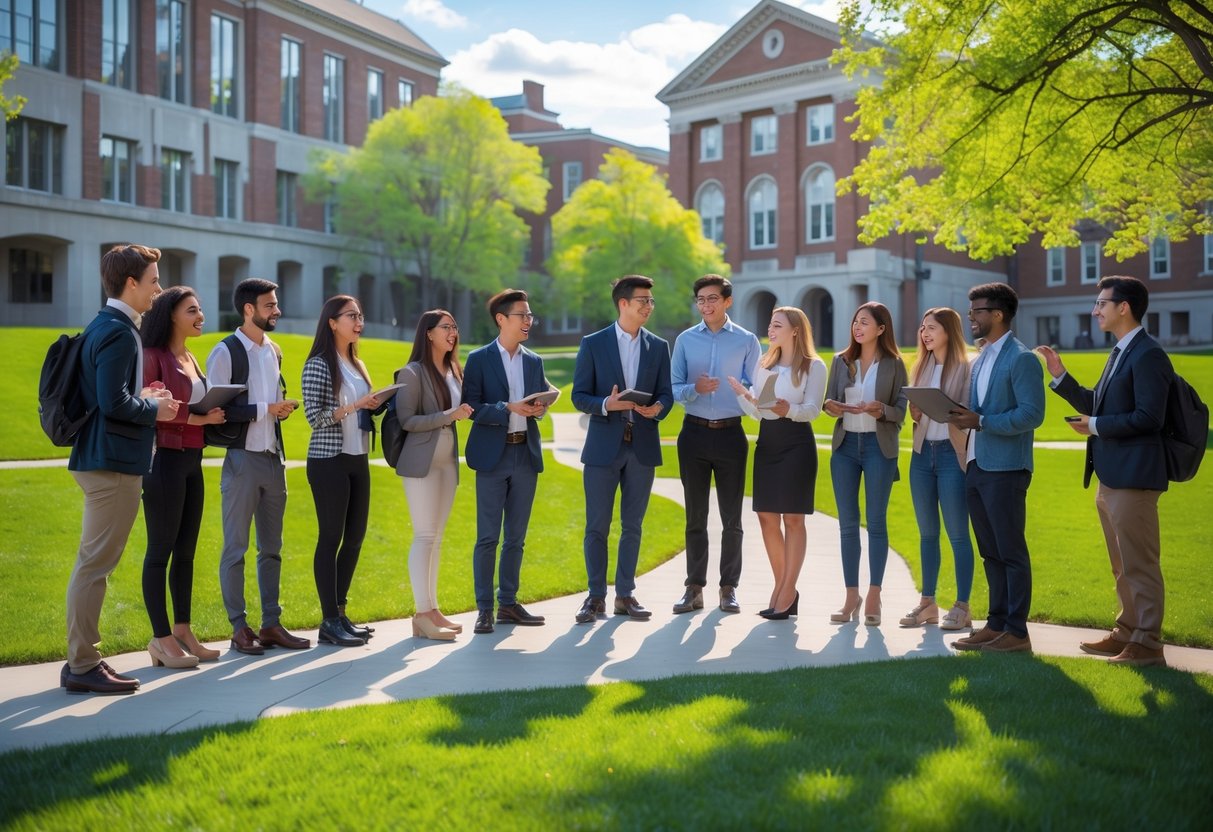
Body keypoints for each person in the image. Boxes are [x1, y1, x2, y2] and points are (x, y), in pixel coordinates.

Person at [62, 244, 179, 694]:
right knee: (95, 566)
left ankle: (83, 660)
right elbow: (114, 405)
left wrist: (143, 396)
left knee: (94, 564)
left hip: (105, 459)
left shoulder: (108, 325)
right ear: (131, 283)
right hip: (110, 464)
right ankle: (82, 664)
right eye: (153, 280)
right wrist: (156, 407)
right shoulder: (117, 331)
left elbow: (109, 397)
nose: (158, 289)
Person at [1038, 276, 1172, 667]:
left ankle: (1148, 643)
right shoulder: (1119, 353)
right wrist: (1060, 375)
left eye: (1101, 303)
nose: (1096, 310)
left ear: (1123, 307)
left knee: (1140, 563)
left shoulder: (1148, 354)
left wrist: (1095, 426)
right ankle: (1127, 631)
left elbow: (1149, 417)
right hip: (1111, 476)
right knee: (1121, 563)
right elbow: (1098, 404)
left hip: (1134, 477)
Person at [207, 278, 309, 655]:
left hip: (272, 459)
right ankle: (239, 627)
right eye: (270, 305)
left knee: (272, 548)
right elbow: (214, 411)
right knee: (236, 548)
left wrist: (279, 409)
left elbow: (270, 402)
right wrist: (266, 410)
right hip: (241, 460)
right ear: (249, 309)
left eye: (276, 304)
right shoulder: (225, 352)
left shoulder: (274, 351)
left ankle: (270, 624)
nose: (277, 310)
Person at [571, 275, 673, 624]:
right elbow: (579, 396)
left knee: (633, 525)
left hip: (642, 447)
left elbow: (666, 394)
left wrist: (658, 408)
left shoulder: (658, 347)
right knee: (597, 526)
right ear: (623, 303)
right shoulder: (594, 343)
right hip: (603, 448)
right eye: (642, 300)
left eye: (651, 301)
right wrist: (606, 404)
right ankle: (595, 597)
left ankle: (625, 595)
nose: (648, 306)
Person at [950, 282, 1045, 654]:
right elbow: (977, 410)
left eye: (977, 310)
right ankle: (996, 624)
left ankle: (1017, 632)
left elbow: (1032, 414)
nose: (970, 316)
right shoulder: (982, 358)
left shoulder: (1020, 359)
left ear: (999, 314)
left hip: (1006, 468)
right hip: (977, 464)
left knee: (1010, 550)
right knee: (990, 551)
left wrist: (983, 421)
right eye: (970, 309)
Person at [140, 287, 226, 669]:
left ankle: (183, 630)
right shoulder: (152, 357)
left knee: (186, 552)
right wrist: (201, 418)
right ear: (172, 315)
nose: (200, 315)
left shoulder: (191, 357)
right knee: (160, 552)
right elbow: (150, 407)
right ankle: (160, 640)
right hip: (164, 462)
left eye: (200, 307)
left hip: (193, 459)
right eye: (192, 309)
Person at [727, 306, 826, 620]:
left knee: (793, 520)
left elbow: (813, 409)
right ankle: (785, 587)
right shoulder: (763, 363)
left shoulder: (814, 365)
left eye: (777, 325)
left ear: (795, 330)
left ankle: (784, 592)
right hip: (768, 442)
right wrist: (745, 396)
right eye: (770, 324)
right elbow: (759, 412)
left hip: (797, 443)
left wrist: (789, 410)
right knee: (767, 517)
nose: (770, 329)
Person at [671, 275, 761, 615]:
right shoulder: (684, 340)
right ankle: (693, 588)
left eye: (712, 298)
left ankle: (728, 588)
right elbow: (674, 386)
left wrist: (744, 391)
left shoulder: (747, 340)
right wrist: (696, 389)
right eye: (700, 299)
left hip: (730, 435)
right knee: (695, 515)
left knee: (731, 518)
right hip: (693, 434)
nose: (705, 305)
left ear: (727, 301)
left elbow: (757, 385)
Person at [463, 289, 551, 635]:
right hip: (492, 458)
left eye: (530, 316)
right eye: (522, 316)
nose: (528, 321)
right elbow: (471, 408)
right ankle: (484, 608)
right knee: (487, 537)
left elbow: (535, 406)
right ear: (502, 319)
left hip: (524, 454)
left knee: (516, 537)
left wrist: (538, 409)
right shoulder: (479, 359)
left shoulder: (534, 361)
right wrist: (507, 408)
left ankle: (509, 604)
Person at [301, 296, 387, 648]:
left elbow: (360, 412)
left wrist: (377, 404)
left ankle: (341, 612)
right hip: (328, 461)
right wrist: (353, 406)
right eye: (351, 316)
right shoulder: (319, 364)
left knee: (354, 537)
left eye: (360, 315)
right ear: (332, 322)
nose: (358, 321)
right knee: (330, 537)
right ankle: (328, 621)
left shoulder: (356, 362)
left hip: (357, 458)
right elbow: (313, 418)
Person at [823, 302, 907, 627]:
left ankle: (874, 594)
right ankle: (850, 596)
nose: (858, 328)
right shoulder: (841, 361)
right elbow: (827, 402)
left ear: (881, 329)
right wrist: (834, 406)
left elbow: (901, 408)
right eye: (855, 321)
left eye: (865, 323)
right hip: (845, 448)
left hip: (878, 448)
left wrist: (881, 410)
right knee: (847, 525)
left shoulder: (895, 364)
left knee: (876, 522)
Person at [395, 310, 474, 641]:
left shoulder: (455, 370)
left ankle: (433, 609)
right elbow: (406, 420)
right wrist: (448, 415)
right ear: (428, 333)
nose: (452, 332)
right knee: (425, 535)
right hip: (421, 463)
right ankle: (421, 612)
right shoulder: (412, 373)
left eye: (455, 326)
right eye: (446, 327)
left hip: (447, 462)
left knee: (437, 537)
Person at [900, 308, 975, 631]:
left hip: (951, 456)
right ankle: (927, 604)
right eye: (922, 328)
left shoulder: (967, 367)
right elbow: (917, 418)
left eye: (931, 328)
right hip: (922, 455)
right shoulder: (921, 366)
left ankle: (962, 606)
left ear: (949, 331)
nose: (925, 333)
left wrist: (947, 409)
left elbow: (971, 414)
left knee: (958, 534)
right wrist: (917, 413)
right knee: (927, 533)